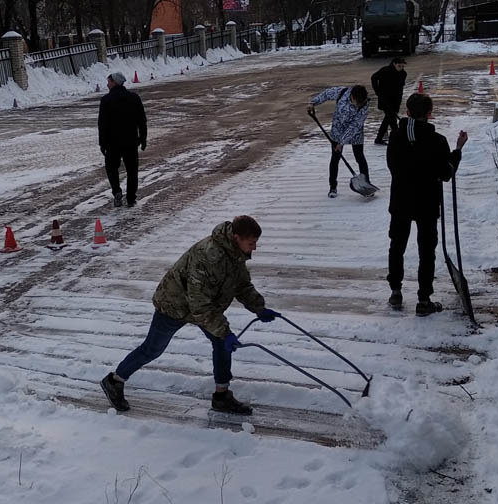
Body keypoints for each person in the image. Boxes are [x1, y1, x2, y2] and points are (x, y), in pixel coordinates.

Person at [100, 215, 277, 415]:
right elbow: (199, 305)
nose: (254, 248)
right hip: (175, 304)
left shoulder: (235, 254)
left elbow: (242, 285)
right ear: (236, 237)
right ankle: (114, 381)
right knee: (152, 349)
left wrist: (259, 308)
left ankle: (221, 396)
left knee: (221, 343)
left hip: (202, 305)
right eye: (251, 243)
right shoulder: (209, 256)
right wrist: (224, 331)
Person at [386, 93, 468, 315]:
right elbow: (446, 172)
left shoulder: (395, 137)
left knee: (397, 246)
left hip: (401, 200)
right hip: (427, 203)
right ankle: (424, 300)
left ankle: (395, 292)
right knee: (426, 250)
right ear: (429, 114)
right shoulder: (437, 141)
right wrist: (458, 150)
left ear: (408, 111)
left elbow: (392, 167)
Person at [308, 84, 370, 198]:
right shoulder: (342, 93)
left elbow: (355, 126)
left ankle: (366, 184)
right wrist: (313, 102)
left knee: (360, 157)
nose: (359, 105)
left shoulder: (364, 104)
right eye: (357, 102)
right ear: (352, 96)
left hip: (355, 134)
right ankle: (333, 186)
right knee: (335, 158)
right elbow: (327, 94)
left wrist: (342, 143)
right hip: (337, 131)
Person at [97, 71, 147, 207]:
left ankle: (117, 191)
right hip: (131, 142)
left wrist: (102, 143)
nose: (107, 84)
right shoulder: (134, 98)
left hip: (112, 143)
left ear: (114, 82)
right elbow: (142, 120)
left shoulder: (106, 100)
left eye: (109, 81)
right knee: (132, 171)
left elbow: (102, 124)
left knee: (111, 168)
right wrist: (143, 138)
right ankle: (131, 197)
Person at [370, 58, 407, 145]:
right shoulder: (385, 71)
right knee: (391, 118)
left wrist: (399, 100)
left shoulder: (403, 74)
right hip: (385, 99)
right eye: (399, 66)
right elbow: (374, 77)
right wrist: (377, 91)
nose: (401, 68)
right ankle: (396, 138)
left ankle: (380, 138)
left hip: (396, 100)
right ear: (394, 64)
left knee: (389, 118)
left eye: (402, 66)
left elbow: (400, 88)